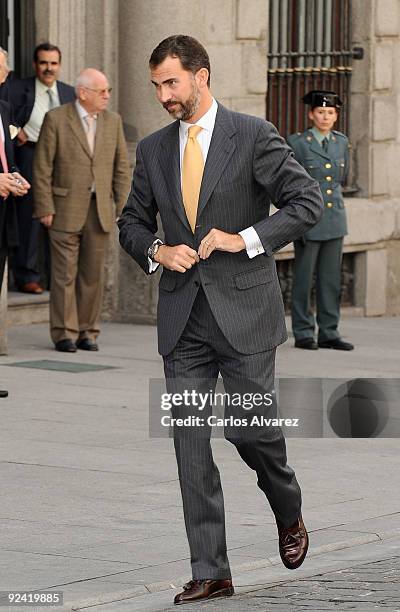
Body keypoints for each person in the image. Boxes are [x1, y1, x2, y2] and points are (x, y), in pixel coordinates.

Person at [118, 35, 323, 605]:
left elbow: (306, 202)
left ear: (201, 76)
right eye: (156, 85)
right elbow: (131, 221)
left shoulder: (253, 135)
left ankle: (288, 507)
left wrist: (244, 239)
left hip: (246, 316)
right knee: (189, 445)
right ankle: (212, 570)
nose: (163, 95)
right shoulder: (155, 150)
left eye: (172, 82)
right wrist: (157, 250)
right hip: (183, 321)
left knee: (250, 429)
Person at [33, 68, 131, 353]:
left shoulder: (113, 121)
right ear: (82, 93)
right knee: (64, 274)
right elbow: (42, 168)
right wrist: (44, 206)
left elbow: (122, 170)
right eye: (102, 91)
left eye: (108, 91)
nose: (107, 96)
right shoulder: (56, 119)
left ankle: (88, 332)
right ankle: (64, 332)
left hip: (100, 209)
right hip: (63, 208)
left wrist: (122, 207)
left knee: (92, 275)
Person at [287, 90, 354, 351]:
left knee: (330, 279)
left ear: (336, 116)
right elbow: (291, 180)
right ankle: (303, 331)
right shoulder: (298, 143)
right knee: (304, 278)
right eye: (321, 112)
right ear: (311, 114)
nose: (326, 117)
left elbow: (342, 176)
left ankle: (329, 331)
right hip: (308, 217)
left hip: (335, 217)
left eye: (331, 112)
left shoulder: (341, 142)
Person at [8, 42, 75, 294]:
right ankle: (27, 276)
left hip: (63, 160)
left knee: (60, 218)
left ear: (59, 66)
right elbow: (3, 118)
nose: (49, 68)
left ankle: (52, 277)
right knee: (31, 217)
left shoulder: (69, 93)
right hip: (30, 156)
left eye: (53, 63)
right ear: (36, 65)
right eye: (44, 63)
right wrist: (16, 131)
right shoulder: (16, 88)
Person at [0, 49, 31, 397]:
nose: (7, 74)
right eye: (3, 69)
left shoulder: (4, 108)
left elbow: (6, 159)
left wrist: (15, 177)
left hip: (4, 218)